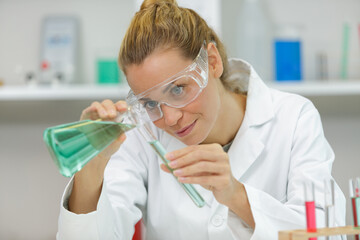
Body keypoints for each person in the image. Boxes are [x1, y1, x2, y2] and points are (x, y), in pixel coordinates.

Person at [57, 0, 346, 239]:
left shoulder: (292, 118)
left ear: (213, 61)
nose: (169, 117)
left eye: (179, 89)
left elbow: (325, 234)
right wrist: (92, 167)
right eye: (149, 102)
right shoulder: (142, 133)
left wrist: (235, 194)